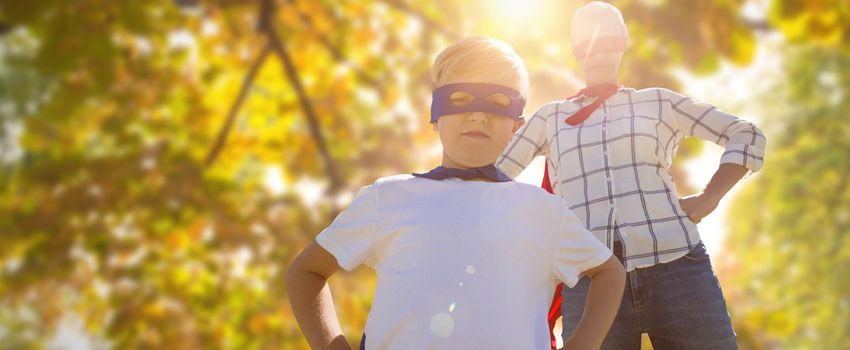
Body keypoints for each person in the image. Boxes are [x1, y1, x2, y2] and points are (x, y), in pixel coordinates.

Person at [286, 35, 625, 350]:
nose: (478, 115)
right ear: (435, 116)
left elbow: (609, 272)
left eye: (497, 103)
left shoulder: (544, 210)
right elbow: (306, 272)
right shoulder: (388, 198)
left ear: (516, 125)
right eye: (460, 100)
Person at [497, 3, 767, 349]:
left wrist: (710, 196)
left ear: (622, 45)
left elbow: (746, 133)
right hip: (593, 279)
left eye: (609, 42)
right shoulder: (551, 117)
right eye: (589, 45)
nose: (599, 52)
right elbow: (496, 175)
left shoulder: (657, 102)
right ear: (577, 51)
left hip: (678, 267)